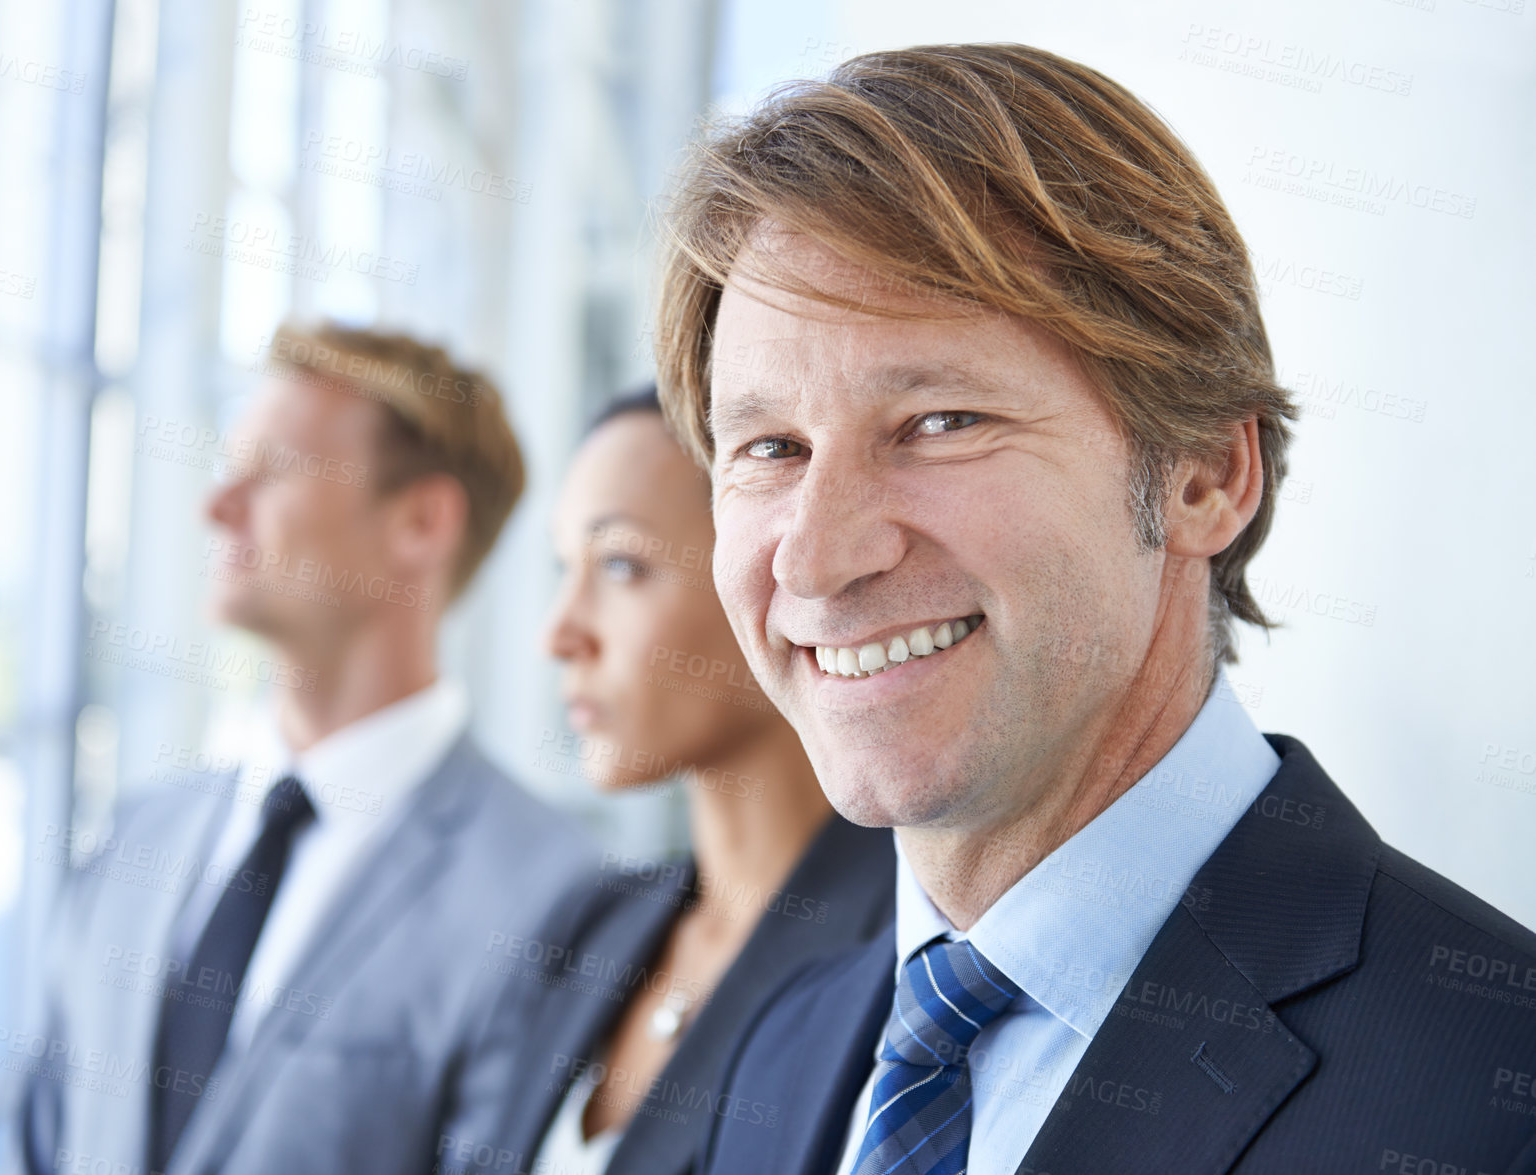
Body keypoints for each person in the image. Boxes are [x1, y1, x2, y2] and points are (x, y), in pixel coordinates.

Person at [647, 44, 1536, 1175]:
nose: (817, 559)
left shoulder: (1492, 1095)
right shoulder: (780, 1047)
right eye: (769, 447)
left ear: (1205, 473)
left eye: (940, 422)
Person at [17, 324, 595, 1175]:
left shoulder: (552, 894)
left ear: (421, 522)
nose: (217, 507)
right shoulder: (137, 835)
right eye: (229, 469)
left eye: (270, 472)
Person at [433, 388, 894, 1175]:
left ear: (768, 566)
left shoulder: (910, 951)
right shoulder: (586, 926)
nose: (560, 631)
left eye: (620, 564)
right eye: (563, 567)